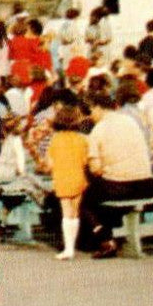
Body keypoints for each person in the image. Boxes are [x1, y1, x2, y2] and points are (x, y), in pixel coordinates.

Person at [82, 91, 153, 258]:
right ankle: (116, 234)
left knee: (86, 200)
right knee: (106, 199)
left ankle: (105, 239)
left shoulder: (98, 130)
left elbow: (96, 169)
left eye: (90, 111)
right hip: (147, 184)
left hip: (119, 186)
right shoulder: (130, 122)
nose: (90, 116)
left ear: (97, 108)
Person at [44, 102, 91, 261]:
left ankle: (68, 248)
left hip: (62, 178)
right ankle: (72, 246)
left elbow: (49, 164)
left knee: (66, 213)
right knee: (75, 213)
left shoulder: (55, 139)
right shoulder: (82, 139)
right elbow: (86, 161)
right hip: (79, 178)